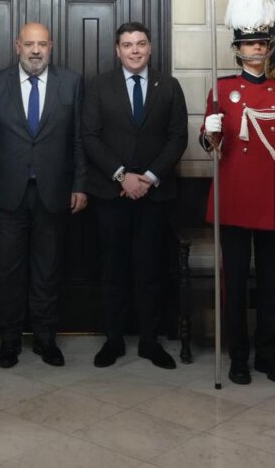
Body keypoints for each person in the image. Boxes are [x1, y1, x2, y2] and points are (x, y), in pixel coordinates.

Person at [200, 0, 275, 386]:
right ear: (238, 48)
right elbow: (211, 147)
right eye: (249, 44)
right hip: (235, 199)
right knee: (235, 285)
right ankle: (238, 358)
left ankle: (268, 355)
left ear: (269, 48)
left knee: (271, 286)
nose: (257, 50)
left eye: (263, 44)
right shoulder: (221, 88)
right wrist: (209, 132)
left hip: (273, 202)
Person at [0, 22, 88, 368]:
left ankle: (45, 338)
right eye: (29, 44)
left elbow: (79, 139)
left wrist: (80, 184)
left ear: (51, 46)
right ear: (17, 47)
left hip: (54, 192)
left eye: (42, 44)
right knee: (7, 271)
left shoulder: (71, 83)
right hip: (7, 194)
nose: (36, 50)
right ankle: (9, 340)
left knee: (48, 269)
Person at [82, 21, 188, 369]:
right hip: (111, 195)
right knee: (111, 270)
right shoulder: (99, 86)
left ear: (150, 47)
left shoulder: (169, 86)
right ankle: (112, 341)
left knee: (150, 270)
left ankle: (149, 341)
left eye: (141, 43)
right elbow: (90, 137)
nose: (135, 50)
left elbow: (177, 138)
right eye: (127, 45)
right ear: (118, 50)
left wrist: (149, 178)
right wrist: (121, 176)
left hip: (155, 196)